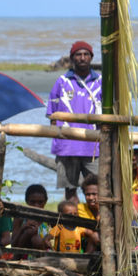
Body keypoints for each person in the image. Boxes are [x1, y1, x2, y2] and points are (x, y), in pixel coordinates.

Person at [47, 41, 102, 202]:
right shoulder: (62, 82)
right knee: (70, 191)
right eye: (78, 54)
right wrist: (57, 141)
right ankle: (73, 225)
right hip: (67, 145)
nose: (82, 58)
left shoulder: (100, 82)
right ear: (72, 58)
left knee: (98, 190)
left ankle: (97, 225)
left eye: (86, 54)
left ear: (91, 57)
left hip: (93, 146)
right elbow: (52, 115)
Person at [10, 184, 51, 252]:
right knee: (30, 232)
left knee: (36, 239)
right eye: (32, 202)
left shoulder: (49, 218)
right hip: (22, 255)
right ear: (26, 201)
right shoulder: (20, 218)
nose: (36, 206)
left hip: (44, 255)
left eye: (40, 202)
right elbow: (13, 244)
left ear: (45, 201)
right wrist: (23, 228)